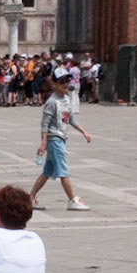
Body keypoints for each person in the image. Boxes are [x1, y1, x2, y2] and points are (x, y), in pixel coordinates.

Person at [30, 69, 91, 210]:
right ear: (55, 85)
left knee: (46, 172)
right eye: (61, 82)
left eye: (66, 82)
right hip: (54, 139)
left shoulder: (66, 99)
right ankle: (72, 200)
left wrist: (84, 132)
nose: (65, 85)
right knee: (64, 170)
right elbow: (44, 124)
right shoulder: (52, 102)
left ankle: (30, 197)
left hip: (61, 137)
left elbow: (71, 119)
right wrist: (43, 142)